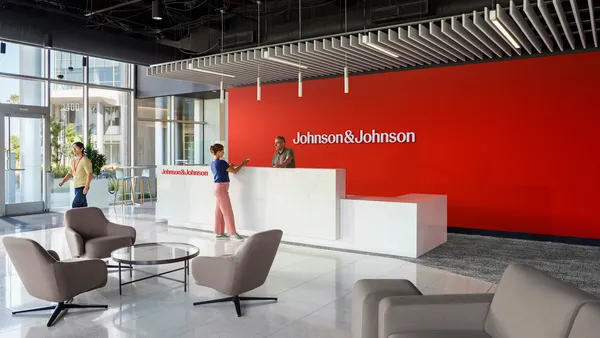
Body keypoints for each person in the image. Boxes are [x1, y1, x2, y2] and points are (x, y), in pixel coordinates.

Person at [210, 143, 249, 241]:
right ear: (218, 152)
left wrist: (229, 166)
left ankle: (219, 233)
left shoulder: (213, 163)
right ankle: (233, 233)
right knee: (228, 211)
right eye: (222, 150)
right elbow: (235, 171)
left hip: (218, 188)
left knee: (219, 212)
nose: (224, 152)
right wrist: (243, 164)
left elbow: (223, 171)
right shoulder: (222, 162)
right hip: (222, 189)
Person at [58, 142, 93, 208]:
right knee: (82, 205)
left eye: (76, 148)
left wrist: (86, 187)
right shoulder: (73, 161)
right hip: (76, 186)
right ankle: (86, 217)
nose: (74, 149)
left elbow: (89, 174)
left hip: (82, 186)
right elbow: (70, 173)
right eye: (73, 148)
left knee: (75, 204)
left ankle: (74, 218)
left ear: (81, 149)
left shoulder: (85, 160)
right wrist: (63, 181)